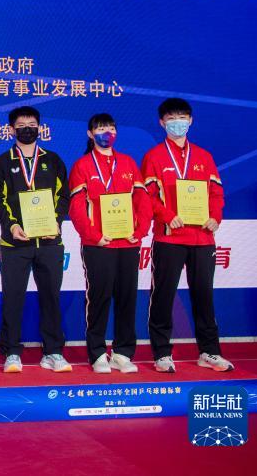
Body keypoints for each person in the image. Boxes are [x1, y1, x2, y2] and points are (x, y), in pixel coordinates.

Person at [142, 98, 233, 372]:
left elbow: (216, 192)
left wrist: (215, 217)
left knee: (204, 296)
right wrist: (166, 215)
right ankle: (162, 353)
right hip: (169, 237)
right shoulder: (154, 156)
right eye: (171, 118)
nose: (177, 123)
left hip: (202, 238)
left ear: (191, 120)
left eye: (182, 117)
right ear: (162, 122)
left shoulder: (204, 157)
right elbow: (147, 196)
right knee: (163, 296)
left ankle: (209, 351)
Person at [0, 106, 71, 373]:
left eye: (32, 124)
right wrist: (12, 226)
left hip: (49, 242)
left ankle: (53, 352)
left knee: (51, 297)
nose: (27, 129)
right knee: (13, 298)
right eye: (21, 125)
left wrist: (56, 223)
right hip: (15, 244)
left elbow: (63, 196)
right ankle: (12, 351)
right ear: (11, 130)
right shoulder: (2, 162)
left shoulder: (53, 160)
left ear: (40, 128)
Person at [68, 113, 151, 373]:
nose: (107, 132)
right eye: (101, 128)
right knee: (99, 298)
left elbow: (142, 200)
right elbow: (76, 207)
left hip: (128, 243)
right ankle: (97, 353)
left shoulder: (128, 163)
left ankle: (123, 352)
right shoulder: (82, 165)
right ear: (90, 134)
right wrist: (93, 235)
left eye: (111, 128)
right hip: (98, 245)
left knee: (127, 298)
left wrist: (140, 230)